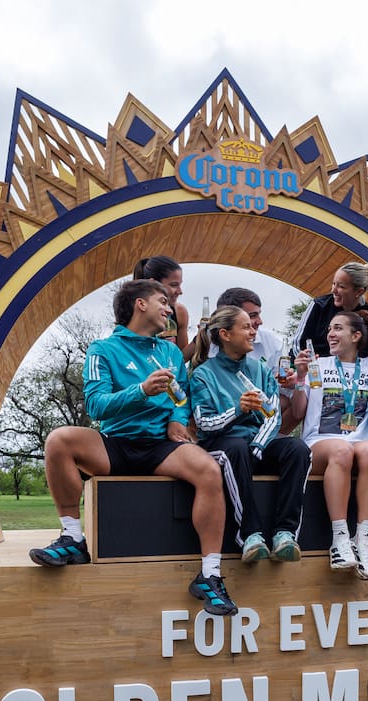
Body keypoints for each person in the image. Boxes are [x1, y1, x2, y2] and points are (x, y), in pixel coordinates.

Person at [31, 279, 233, 616]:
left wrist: (177, 420)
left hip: (159, 446)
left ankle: (210, 575)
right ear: (140, 304)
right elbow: (96, 406)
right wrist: (141, 391)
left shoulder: (168, 350)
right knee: (59, 440)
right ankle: (72, 540)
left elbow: (181, 398)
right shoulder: (102, 350)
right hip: (115, 446)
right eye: (162, 301)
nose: (169, 309)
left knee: (209, 470)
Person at [190, 306, 311, 565]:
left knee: (298, 449)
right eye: (246, 327)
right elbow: (204, 424)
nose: (253, 331)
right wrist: (238, 410)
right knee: (235, 447)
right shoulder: (203, 374)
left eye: (252, 326)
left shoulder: (261, 369)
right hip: (221, 444)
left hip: (257, 444)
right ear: (225, 334)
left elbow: (274, 416)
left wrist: (258, 445)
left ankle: (285, 534)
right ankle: (250, 536)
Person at [295, 310, 368, 579]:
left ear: (356, 336)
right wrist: (299, 379)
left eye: (338, 328)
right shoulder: (316, 365)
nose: (330, 334)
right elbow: (298, 413)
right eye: (330, 328)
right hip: (320, 444)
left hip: (359, 444)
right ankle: (339, 539)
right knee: (342, 450)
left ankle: (363, 542)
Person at [293, 262, 368, 360]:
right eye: (333, 284)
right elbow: (298, 345)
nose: (333, 290)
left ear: (359, 291)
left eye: (341, 286)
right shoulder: (319, 305)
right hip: (313, 368)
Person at [132, 255, 193, 357]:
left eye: (180, 284)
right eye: (173, 285)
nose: (180, 291)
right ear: (153, 283)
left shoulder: (179, 312)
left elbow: (180, 358)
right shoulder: (133, 312)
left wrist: (199, 339)